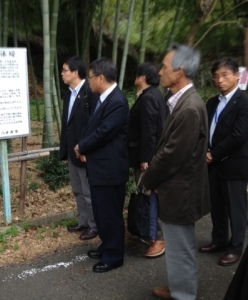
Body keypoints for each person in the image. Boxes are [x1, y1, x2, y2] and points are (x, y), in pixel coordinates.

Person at [140, 44, 210, 299]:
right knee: (180, 245)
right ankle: (180, 287)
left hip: (180, 191)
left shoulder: (189, 107)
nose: (160, 71)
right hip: (178, 188)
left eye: (165, 67)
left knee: (181, 247)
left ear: (180, 71)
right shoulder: (183, 102)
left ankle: (184, 294)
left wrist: (147, 179)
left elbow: (172, 155)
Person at [74, 57, 129, 273]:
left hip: (110, 170)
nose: (88, 82)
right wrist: (84, 147)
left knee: (110, 214)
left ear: (101, 78)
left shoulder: (117, 101)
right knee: (101, 211)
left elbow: (104, 132)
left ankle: (114, 256)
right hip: (100, 168)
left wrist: (82, 147)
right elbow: (92, 127)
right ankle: (107, 245)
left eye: (90, 78)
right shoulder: (103, 98)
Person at [199, 58, 248, 267]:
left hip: (234, 164)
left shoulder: (244, 101)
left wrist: (213, 154)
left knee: (236, 208)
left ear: (237, 75)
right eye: (216, 76)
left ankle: (236, 247)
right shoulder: (212, 102)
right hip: (214, 165)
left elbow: (238, 135)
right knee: (217, 205)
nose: (220, 80)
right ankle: (219, 240)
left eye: (225, 75)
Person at [128, 62, 167, 258]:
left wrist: (145, 158)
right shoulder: (152, 95)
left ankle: (158, 238)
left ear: (142, 77)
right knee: (149, 197)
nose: (135, 77)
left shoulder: (149, 97)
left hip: (148, 159)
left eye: (137, 74)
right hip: (149, 156)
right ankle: (152, 233)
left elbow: (150, 131)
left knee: (151, 197)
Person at [59, 56, 98, 240]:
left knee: (88, 191)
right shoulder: (69, 93)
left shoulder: (90, 91)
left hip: (84, 152)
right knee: (77, 190)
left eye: (65, 70)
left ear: (75, 72)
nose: (62, 74)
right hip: (71, 150)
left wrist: (85, 148)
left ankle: (94, 225)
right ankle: (84, 222)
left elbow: (94, 124)